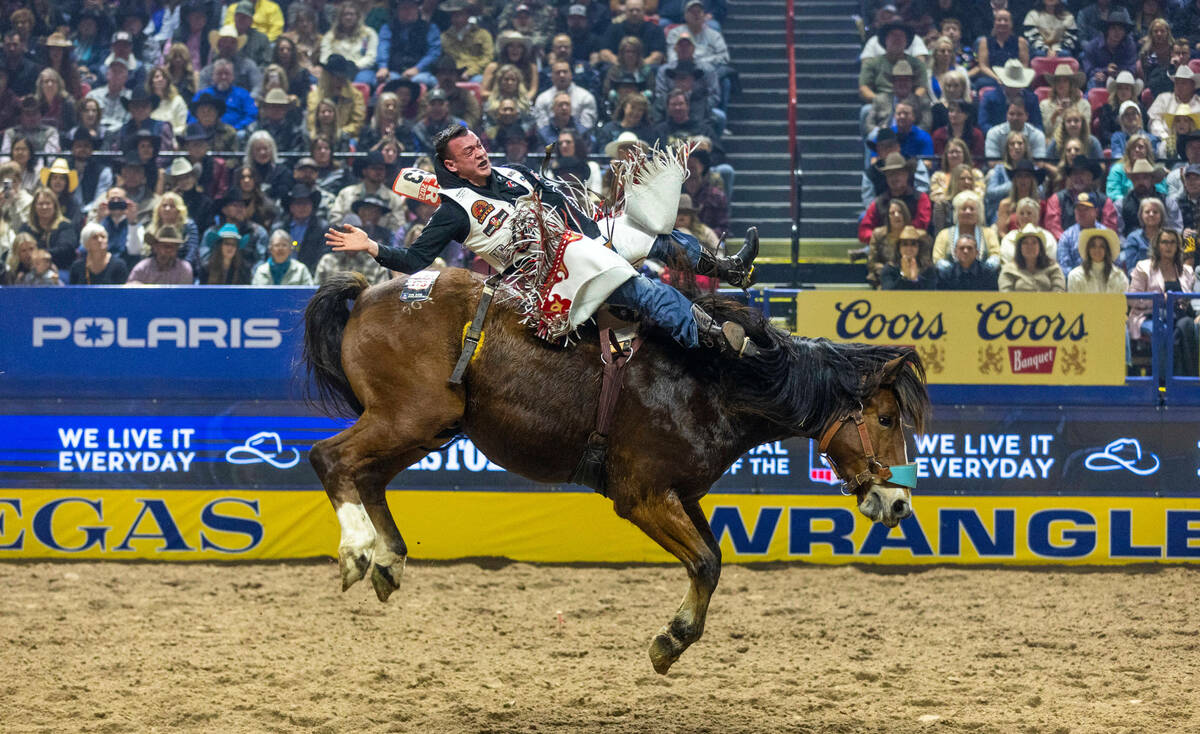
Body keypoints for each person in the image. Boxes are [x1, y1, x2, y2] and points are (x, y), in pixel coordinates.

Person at [326, 124, 761, 354]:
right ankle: (710, 337)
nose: (479, 152)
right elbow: (414, 258)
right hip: (543, 277)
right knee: (641, 289)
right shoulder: (453, 210)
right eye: (468, 152)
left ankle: (728, 268)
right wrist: (371, 247)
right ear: (451, 167)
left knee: (648, 232)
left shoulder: (517, 172)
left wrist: (597, 239)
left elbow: (561, 201)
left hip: (578, 241)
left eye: (478, 144)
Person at [1128, 228, 1198, 375]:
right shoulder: (1143, 267)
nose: (1169, 246)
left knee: (1187, 326)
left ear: (1177, 246)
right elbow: (1133, 299)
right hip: (1148, 316)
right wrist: (1159, 299)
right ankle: (1162, 382)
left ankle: (1185, 379)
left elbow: (1189, 300)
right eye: (1164, 242)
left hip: (1178, 316)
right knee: (1162, 330)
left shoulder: (1186, 271)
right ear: (1157, 245)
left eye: (1173, 242)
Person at [859, 152, 933, 243]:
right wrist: (881, 236)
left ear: (907, 174)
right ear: (886, 177)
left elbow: (922, 225)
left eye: (898, 173)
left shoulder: (921, 198)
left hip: (915, 246)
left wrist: (900, 234)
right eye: (890, 174)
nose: (894, 178)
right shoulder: (878, 202)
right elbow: (864, 231)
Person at [1045, 157, 1121, 239]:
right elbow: (1053, 227)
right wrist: (1068, 242)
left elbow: (1109, 230)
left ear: (1091, 176)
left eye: (1082, 173)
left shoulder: (1104, 201)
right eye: (1074, 173)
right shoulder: (1057, 199)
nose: (1078, 177)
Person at [305, 54, 365, 139]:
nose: (340, 81)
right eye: (337, 77)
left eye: (343, 77)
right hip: (320, 137)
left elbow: (357, 124)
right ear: (327, 77)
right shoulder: (314, 96)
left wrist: (339, 133)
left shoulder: (356, 96)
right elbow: (311, 124)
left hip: (346, 136)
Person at [933, 190, 999, 265]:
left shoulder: (989, 233)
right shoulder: (943, 234)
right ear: (956, 213)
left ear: (978, 213)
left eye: (972, 209)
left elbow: (995, 254)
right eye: (964, 209)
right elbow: (937, 258)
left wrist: (990, 265)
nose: (968, 212)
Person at [274, 183, 329, 272]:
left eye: (306, 203)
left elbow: (322, 255)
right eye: (298, 203)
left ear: (312, 206)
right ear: (291, 207)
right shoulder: (280, 228)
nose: (302, 207)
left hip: (311, 274)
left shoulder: (322, 228)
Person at [978, 58, 1043, 132]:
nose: (1013, 88)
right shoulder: (989, 98)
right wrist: (998, 135)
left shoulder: (1032, 99)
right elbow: (983, 123)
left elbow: (1038, 125)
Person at [319, 3, 377, 84]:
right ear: (340, 18)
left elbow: (371, 56)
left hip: (360, 69)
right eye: (345, 14)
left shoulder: (369, 33)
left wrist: (355, 66)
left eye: (351, 14)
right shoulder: (330, 35)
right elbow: (324, 57)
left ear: (357, 16)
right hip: (335, 71)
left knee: (364, 80)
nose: (348, 17)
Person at [1080, 8, 1136, 91]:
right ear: (1107, 30)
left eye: (1120, 29)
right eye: (1113, 28)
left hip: (1122, 79)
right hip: (1100, 79)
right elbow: (1088, 68)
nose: (1117, 32)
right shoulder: (1093, 45)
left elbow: (1131, 67)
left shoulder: (1129, 45)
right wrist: (1104, 71)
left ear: (1125, 32)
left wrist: (1118, 72)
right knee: (1094, 81)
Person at [20, 186, 75, 271]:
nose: (44, 207)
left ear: (55, 206)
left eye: (48, 203)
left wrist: (40, 255)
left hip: (60, 269)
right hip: (30, 270)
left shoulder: (65, 226)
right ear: (34, 206)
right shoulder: (26, 227)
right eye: (40, 204)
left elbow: (66, 249)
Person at [999, 224, 1067, 291]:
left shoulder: (1053, 267)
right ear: (1019, 248)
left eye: (1034, 242)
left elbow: (1059, 291)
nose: (1030, 246)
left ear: (1040, 247)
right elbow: (1005, 294)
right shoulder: (1009, 269)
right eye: (1025, 243)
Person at [975, 9, 1029, 89]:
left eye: (1006, 20)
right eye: (999, 20)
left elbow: (1024, 64)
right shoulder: (984, 42)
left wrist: (1012, 78)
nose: (1002, 23)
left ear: (1011, 23)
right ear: (994, 23)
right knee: (981, 82)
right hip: (993, 78)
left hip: (1015, 79)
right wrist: (997, 78)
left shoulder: (1021, 42)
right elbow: (983, 66)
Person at [1148, 65, 1200, 142]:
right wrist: (1166, 138)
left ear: (1193, 86)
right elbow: (1154, 121)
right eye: (1177, 83)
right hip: (1165, 141)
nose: (1179, 86)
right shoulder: (1164, 99)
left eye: (1183, 83)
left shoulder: (1198, 102)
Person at [1068, 227, 1128, 292]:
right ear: (1088, 249)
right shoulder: (1075, 276)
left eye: (1102, 246)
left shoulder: (1119, 276)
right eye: (1093, 246)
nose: (1097, 250)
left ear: (1107, 250)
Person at [1121, 197, 1170, 273]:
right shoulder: (1133, 238)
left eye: (1155, 212)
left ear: (1161, 215)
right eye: (1147, 212)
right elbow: (1131, 269)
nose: (1151, 214)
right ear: (1141, 215)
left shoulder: (1169, 237)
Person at [936, 233, 1000, 289]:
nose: (965, 251)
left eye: (970, 248)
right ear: (955, 252)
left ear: (977, 252)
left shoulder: (988, 274)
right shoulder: (946, 274)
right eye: (961, 248)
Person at [1039, 63, 1090, 134]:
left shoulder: (1084, 104)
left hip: (1077, 141)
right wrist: (1054, 115)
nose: (1061, 84)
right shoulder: (1044, 105)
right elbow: (1046, 131)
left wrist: (1073, 114)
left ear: (1071, 84)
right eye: (1058, 81)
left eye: (1065, 81)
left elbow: (1085, 130)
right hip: (1053, 141)